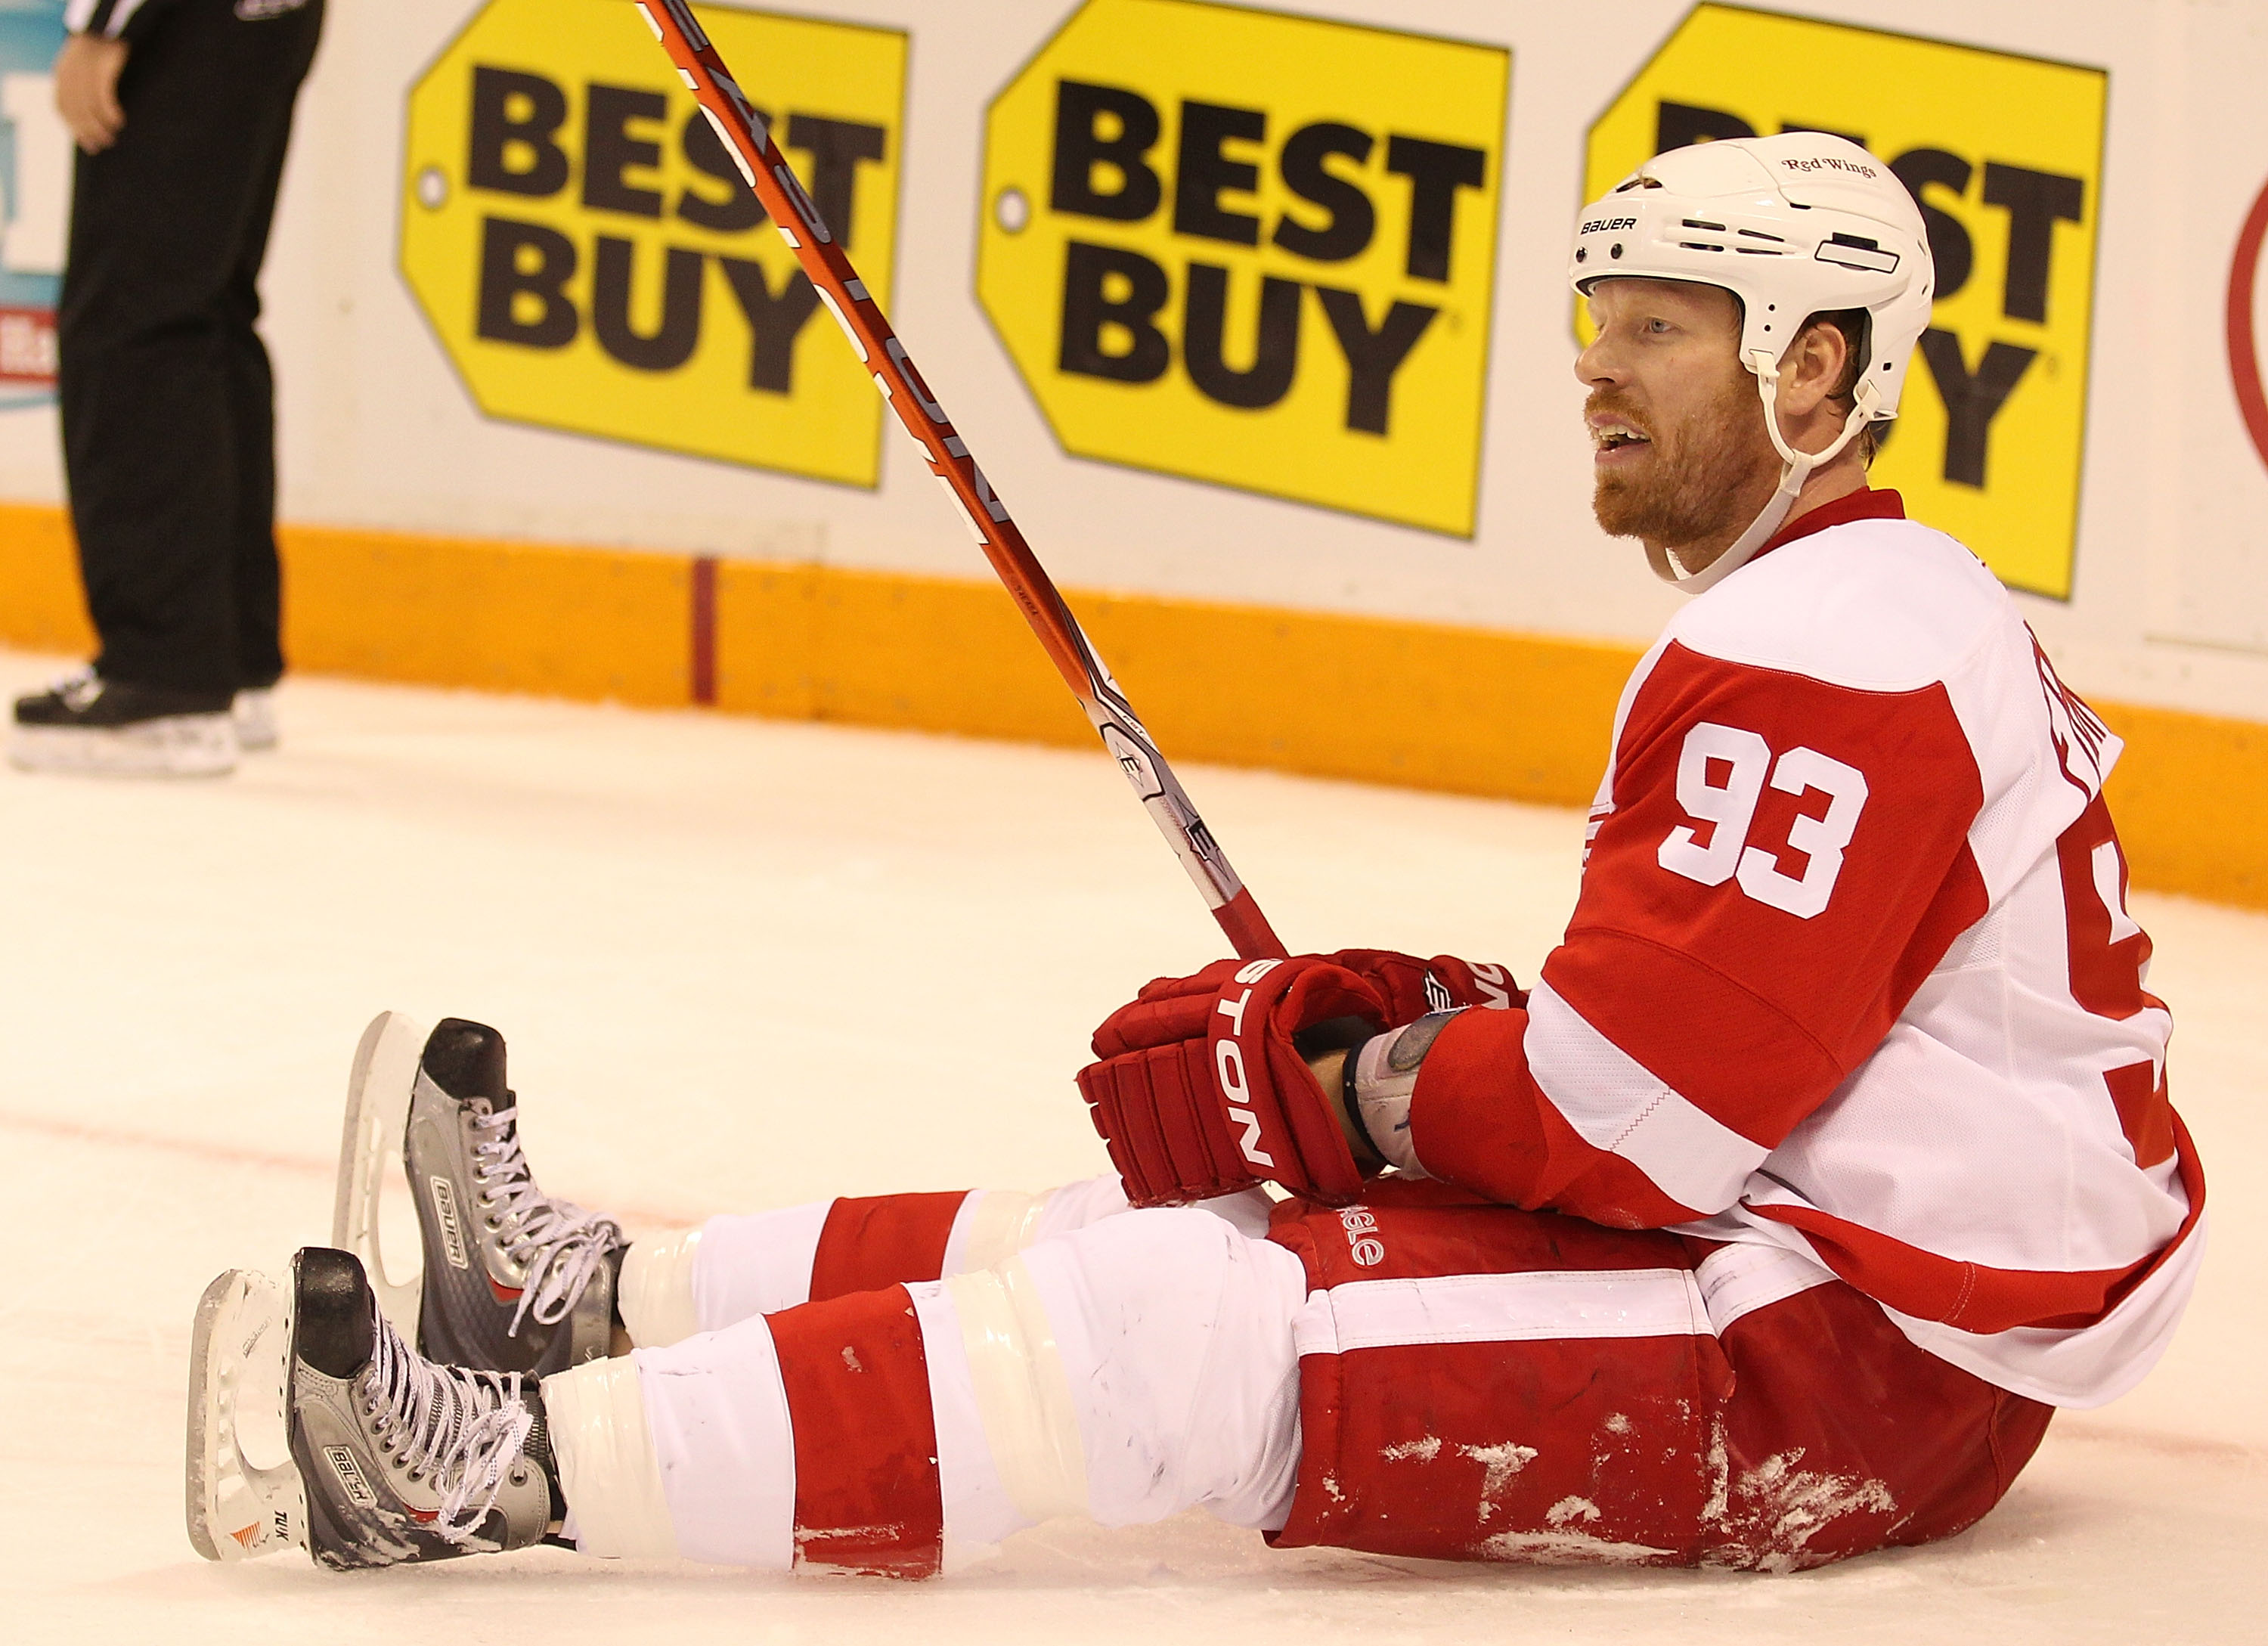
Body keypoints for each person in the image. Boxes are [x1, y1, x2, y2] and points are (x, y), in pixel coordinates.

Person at [184, 132, 2202, 1577]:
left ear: (1821, 369)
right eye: (1602, 317)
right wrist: (1422, 1076)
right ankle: (583, 1296)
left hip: (1853, 1361)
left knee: (1191, 1327)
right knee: (1124, 1234)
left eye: (1665, 328)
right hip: (1816, 1252)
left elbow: (1647, 1117)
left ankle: (478, 1476)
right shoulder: (1870, 608)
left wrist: (1366, 1090)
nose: (1598, 364)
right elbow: (1714, 1047)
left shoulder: (1829, 644)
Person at [8, 0, 323, 778]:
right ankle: (228, 657)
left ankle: (165, 673)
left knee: (134, 323)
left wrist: (104, 26)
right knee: (208, 307)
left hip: (180, 19)